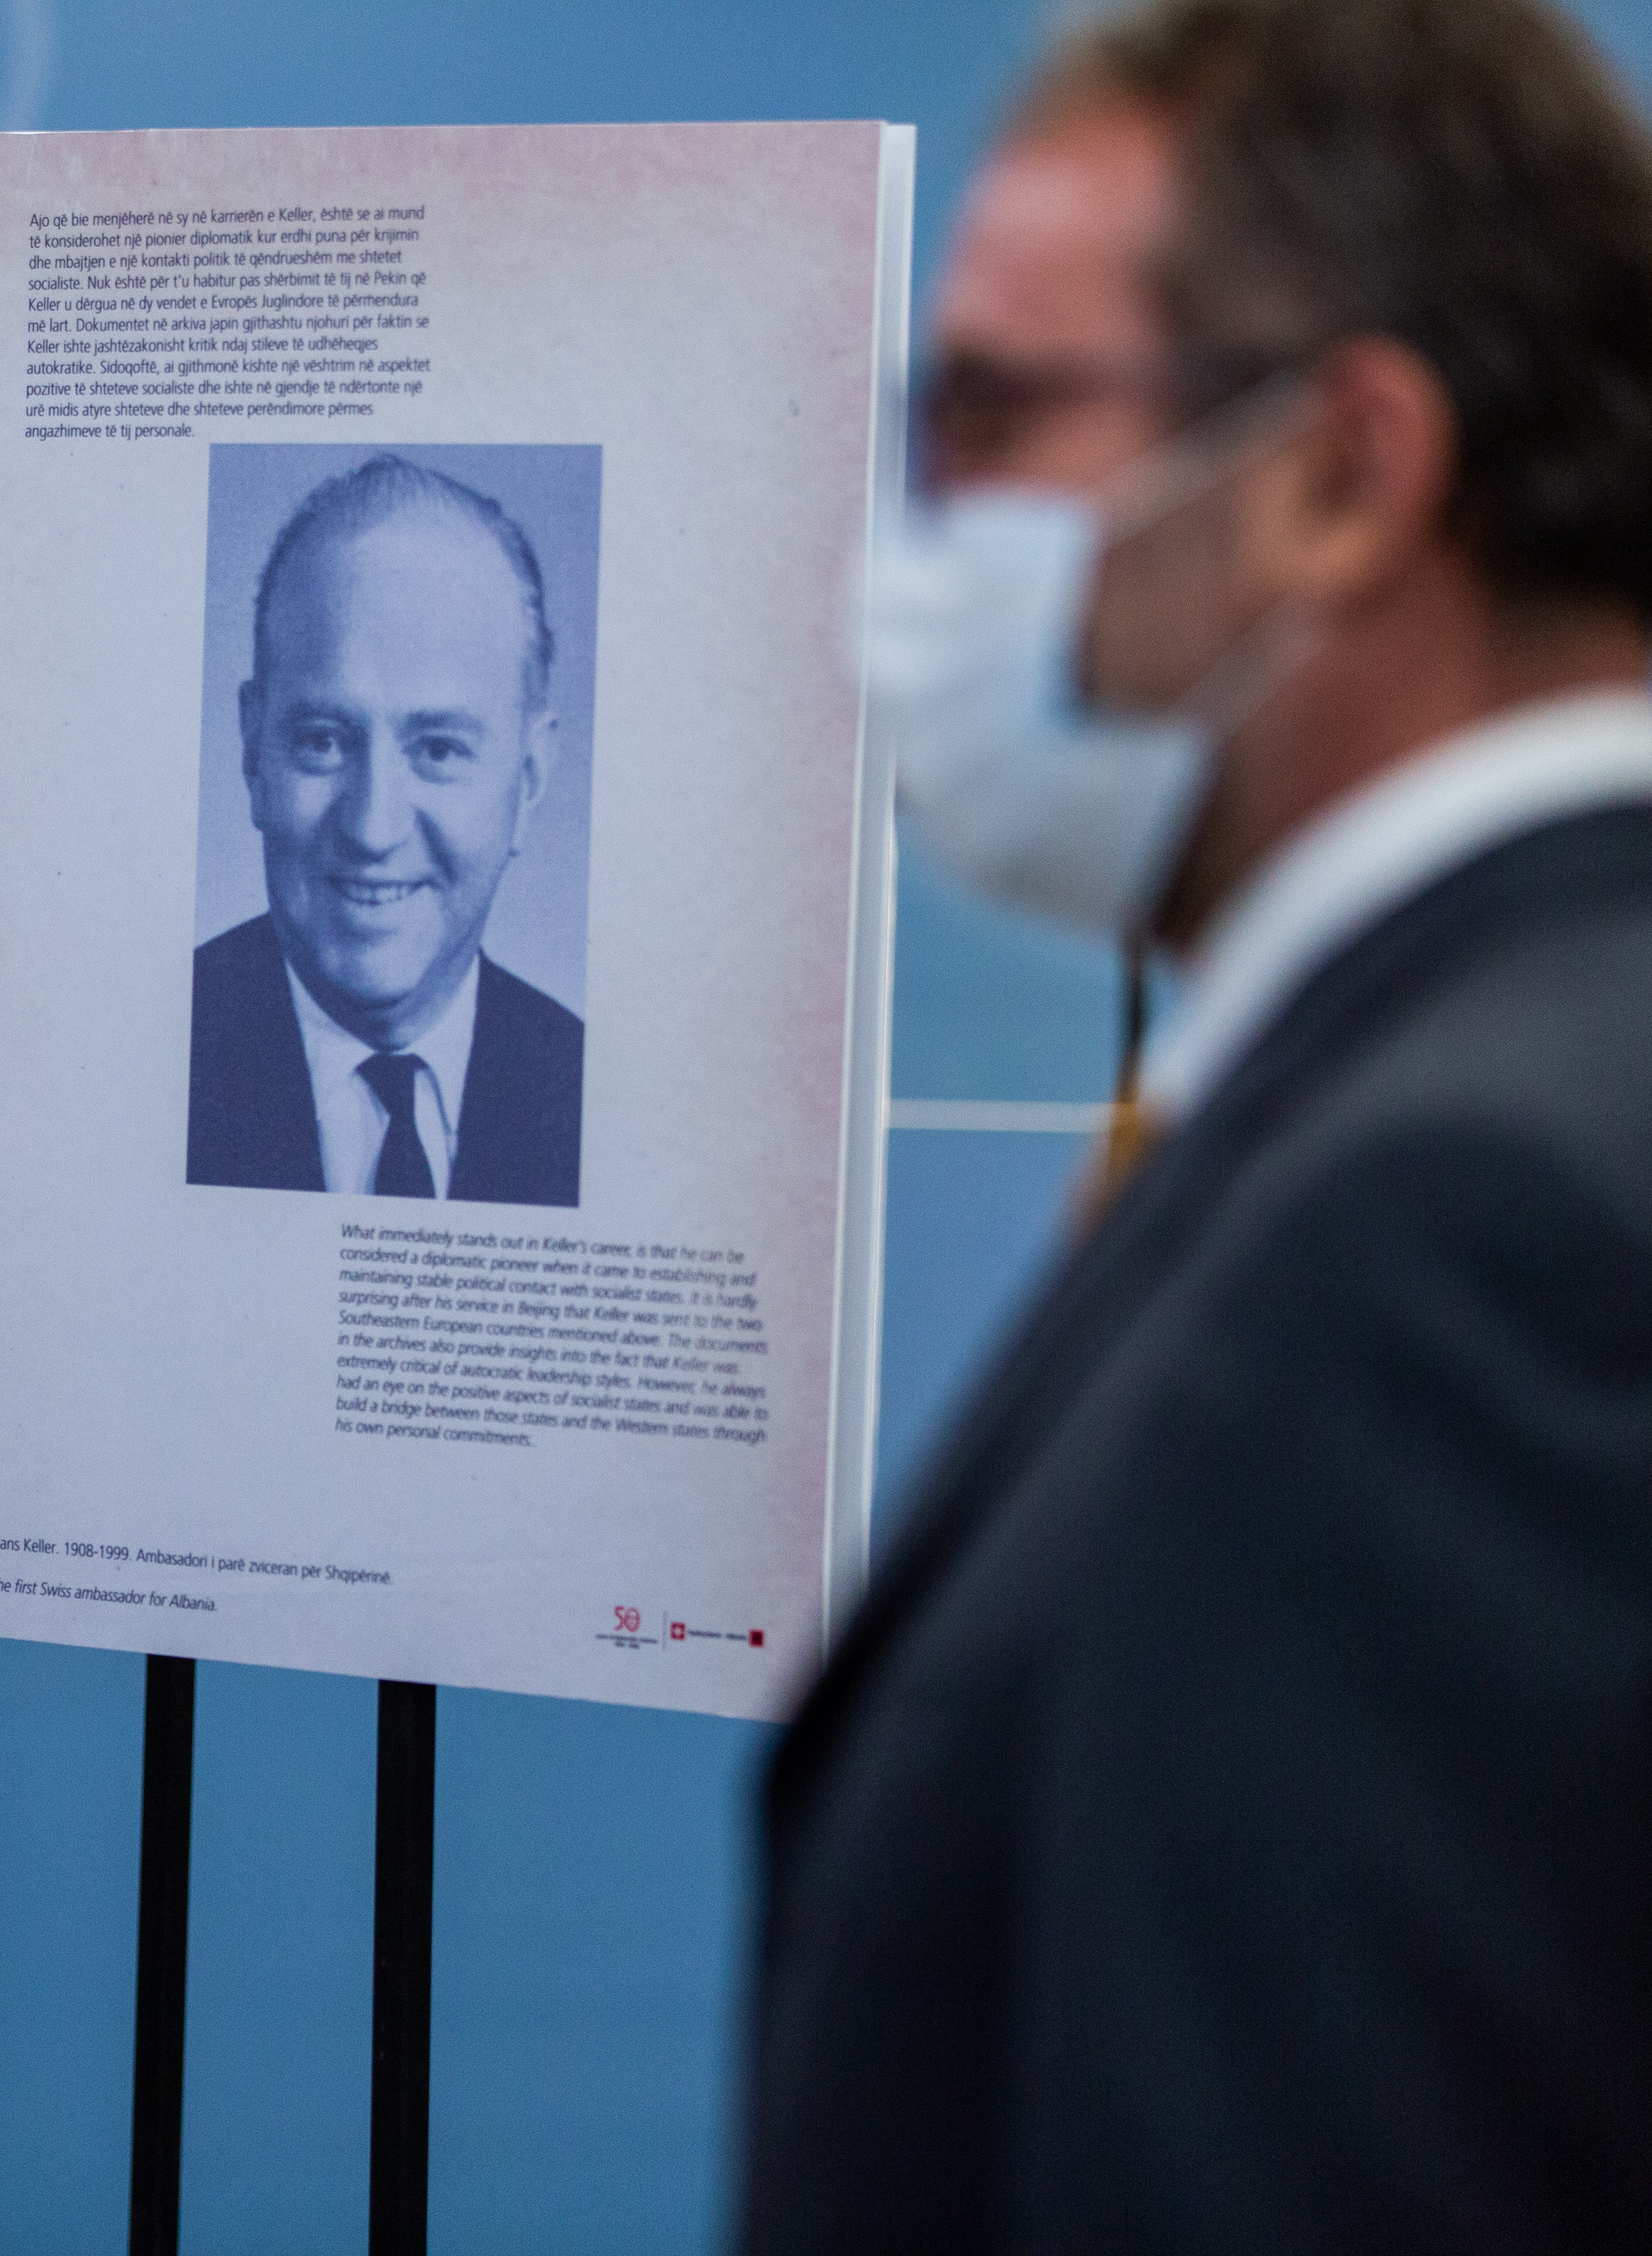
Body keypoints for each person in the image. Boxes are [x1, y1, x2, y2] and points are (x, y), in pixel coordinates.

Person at [751, 1, 1652, 2247]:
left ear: (1343, 474)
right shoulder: (1491, 1075)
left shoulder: (1463, 1230)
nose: (920, 536)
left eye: (989, 417)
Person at [186, 455, 585, 1204]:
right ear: (252, 754)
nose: (373, 828)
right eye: (324, 741)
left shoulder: (589, 1091)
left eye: (437, 749)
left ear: (528, 780)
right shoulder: (146, 1053)